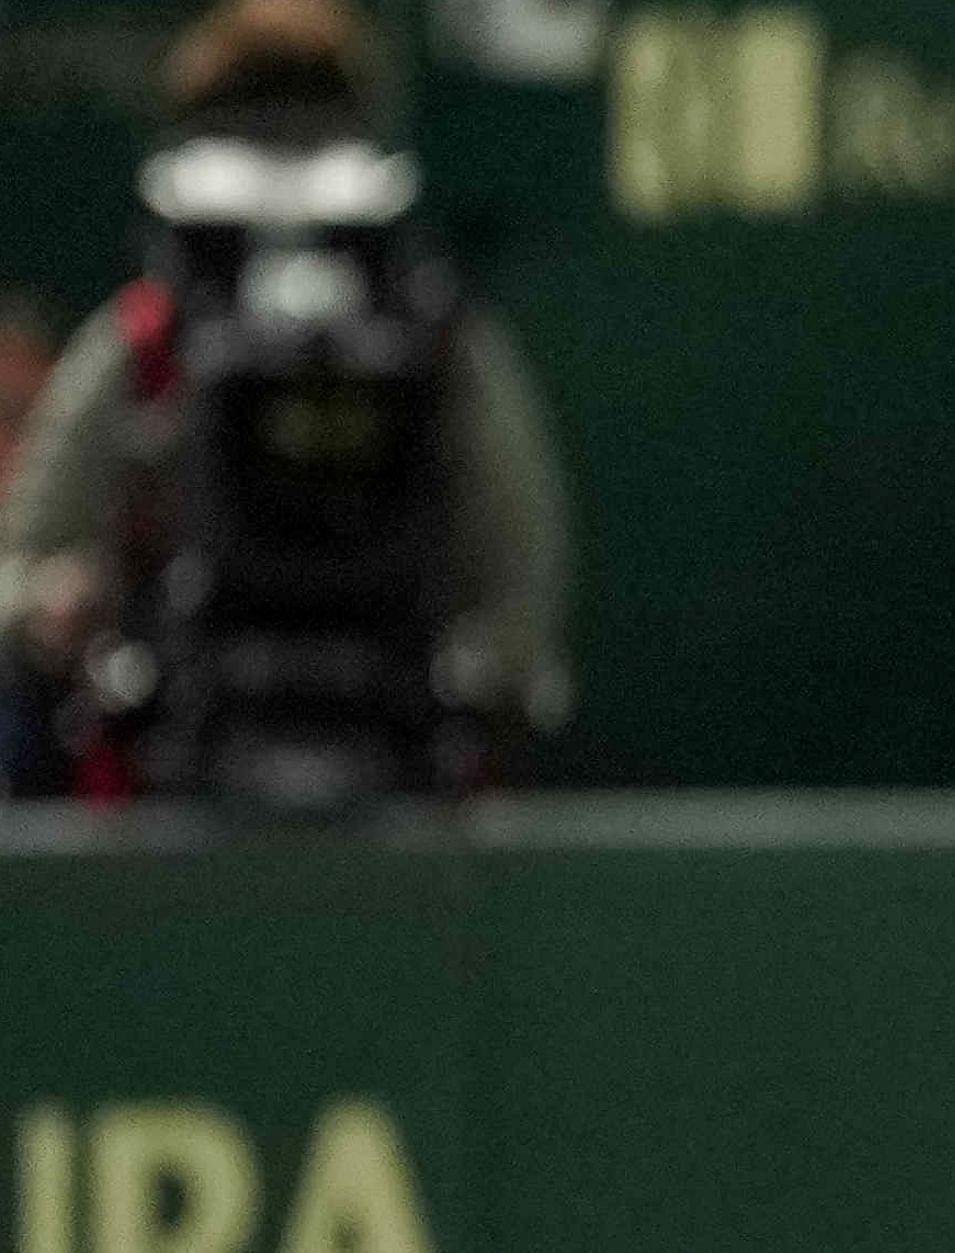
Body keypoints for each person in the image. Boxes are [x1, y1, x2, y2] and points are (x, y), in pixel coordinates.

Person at [0, 0, 568, 800]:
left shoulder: (436, 345)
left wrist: (478, 676)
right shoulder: (144, 343)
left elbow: (520, 603)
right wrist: (54, 608)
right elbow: (20, 570)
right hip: (173, 794)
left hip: (405, 786)